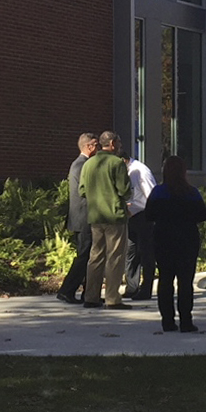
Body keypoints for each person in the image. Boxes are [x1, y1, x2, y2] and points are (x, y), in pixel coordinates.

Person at [145, 154, 206, 332]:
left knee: (165, 280)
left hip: (163, 239)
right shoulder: (192, 192)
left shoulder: (158, 192)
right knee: (185, 281)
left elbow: (149, 215)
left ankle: (167, 321)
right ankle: (186, 321)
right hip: (187, 239)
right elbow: (202, 215)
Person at [80, 130, 131, 309]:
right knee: (115, 257)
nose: (120, 145)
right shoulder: (117, 163)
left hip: (95, 215)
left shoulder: (88, 164)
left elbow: (82, 190)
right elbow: (125, 190)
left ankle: (91, 296)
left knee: (95, 256)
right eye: (118, 142)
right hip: (114, 215)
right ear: (112, 143)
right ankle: (112, 298)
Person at [55, 132, 98, 304]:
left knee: (88, 255)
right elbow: (87, 192)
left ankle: (88, 293)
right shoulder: (82, 165)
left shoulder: (80, 164)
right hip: (83, 217)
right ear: (89, 146)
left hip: (83, 217)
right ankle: (66, 290)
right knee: (84, 256)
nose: (98, 148)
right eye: (96, 145)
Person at [124, 152, 158, 300]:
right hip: (130, 216)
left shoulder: (140, 170)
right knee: (130, 252)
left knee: (146, 254)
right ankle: (132, 287)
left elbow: (151, 193)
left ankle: (146, 288)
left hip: (143, 215)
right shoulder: (124, 170)